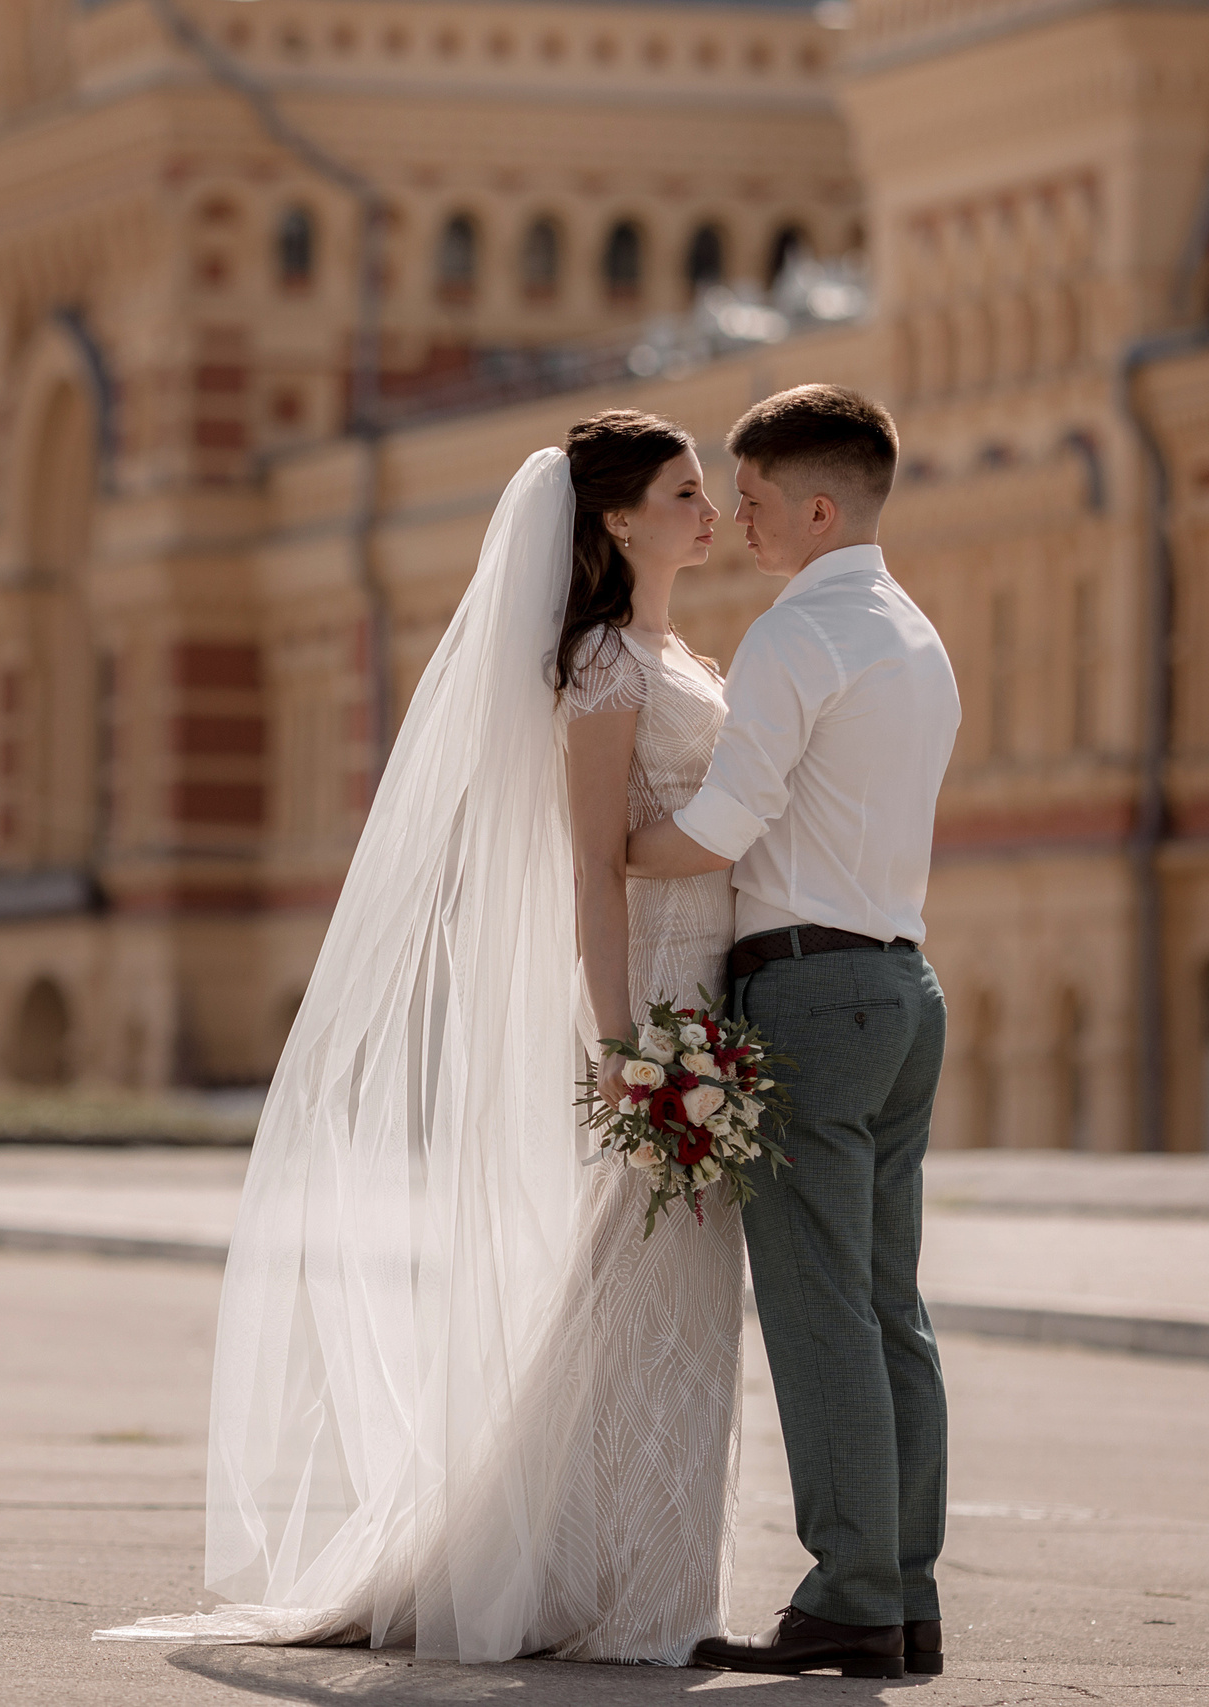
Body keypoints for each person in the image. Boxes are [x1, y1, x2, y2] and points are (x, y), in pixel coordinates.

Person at [95, 411, 747, 1663]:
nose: (707, 510)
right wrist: (626, 1045)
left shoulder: (679, 658)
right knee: (638, 1295)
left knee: (660, 1305)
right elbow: (593, 869)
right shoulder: (608, 668)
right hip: (658, 1011)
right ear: (616, 521)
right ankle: (618, 1589)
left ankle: (632, 1577)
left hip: (712, 1002)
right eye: (682, 491)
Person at [629, 384, 961, 1681]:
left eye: (755, 499)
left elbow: (721, 827)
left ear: (818, 507)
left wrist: (601, 851)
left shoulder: (796, 633)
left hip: (812, 991)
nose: (738, 516)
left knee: (820, 1306)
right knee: (888, 1308)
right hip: (900, 983)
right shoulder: (913, 633)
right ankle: (903, 1593)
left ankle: (847, 1592)